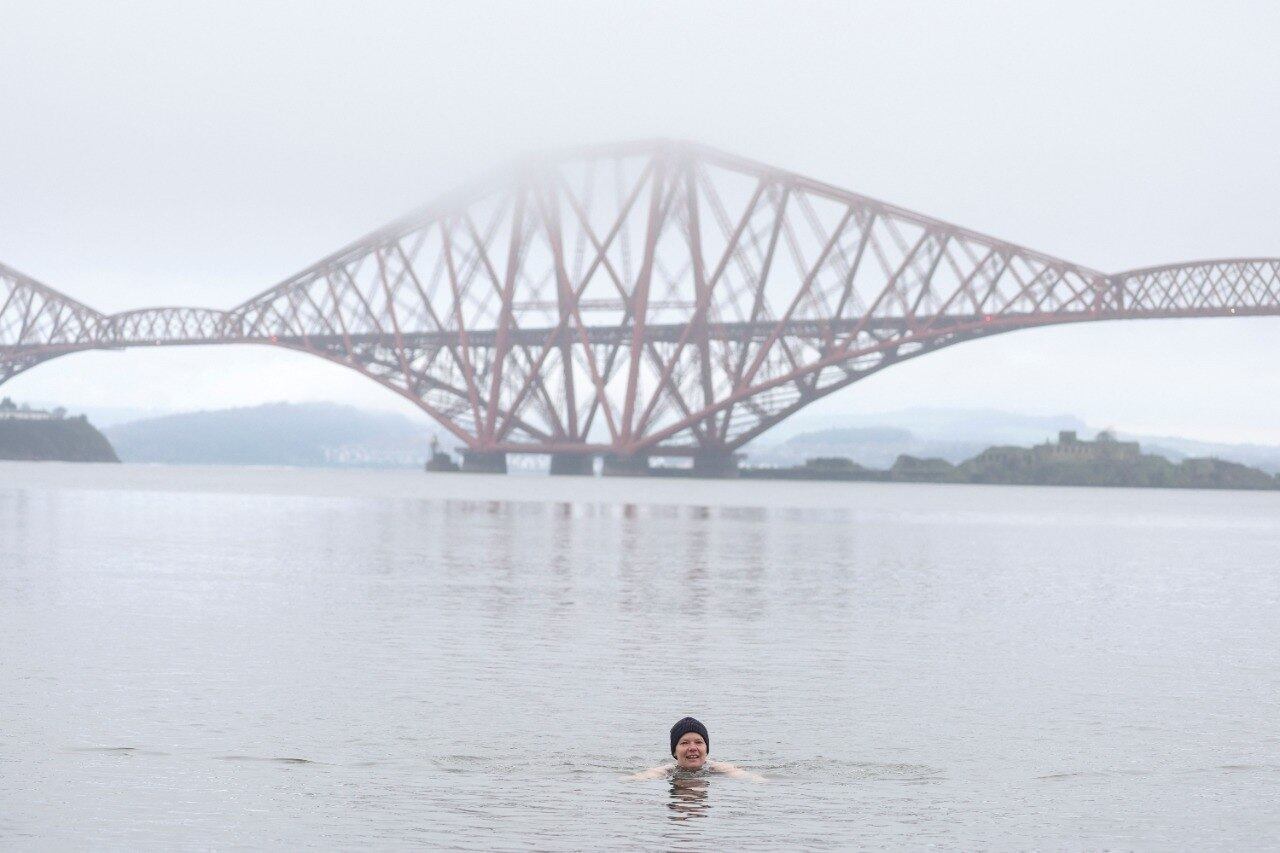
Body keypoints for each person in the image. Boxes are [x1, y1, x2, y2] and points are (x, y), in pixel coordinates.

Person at [630, 716, 765, 781]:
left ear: (706, 749)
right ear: (674, 752)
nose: (692, 748)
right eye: (684, 743)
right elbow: (640, 778)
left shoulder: (719, 769)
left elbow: (751, 778)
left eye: (699, 742)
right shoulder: (665, 771)